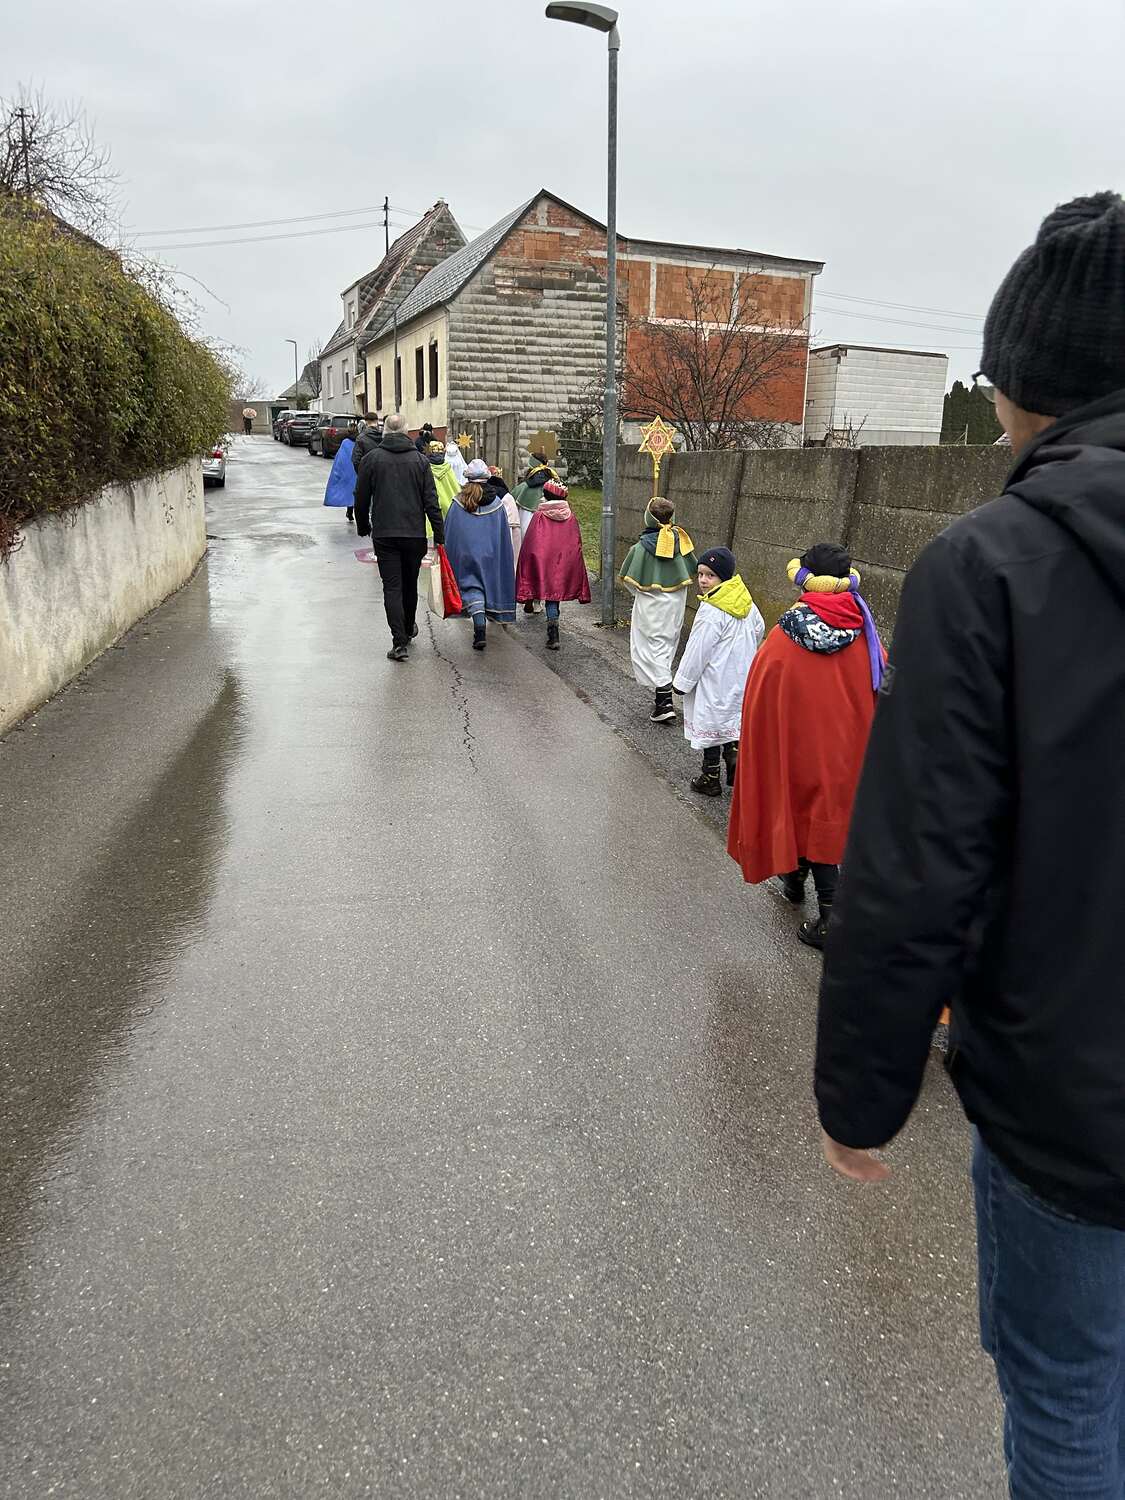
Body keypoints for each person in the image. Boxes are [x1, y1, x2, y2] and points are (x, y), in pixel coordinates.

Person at [814, 191, 1125, 1497]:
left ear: (1025, 386)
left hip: (1076, 1112)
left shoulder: (993, 566)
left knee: (1067, 1397)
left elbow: (913, 870)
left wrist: (861, 1095)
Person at [727, 543, 884, 949]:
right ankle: (795, 878)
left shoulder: (786, 635)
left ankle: (832, 917)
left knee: (801, 810)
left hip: (798, 747)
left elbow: (761, 691)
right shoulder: (864, 632)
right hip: (848, 750)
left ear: (804, 581)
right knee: (826, 815)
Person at [672, 547, 765, 796]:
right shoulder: (746, 602)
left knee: (710, 725)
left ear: (723, 576)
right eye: (701, 574)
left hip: (714, 678)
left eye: (710, 575)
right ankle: (733, 755)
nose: (703, 580)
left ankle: (710, 776)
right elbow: (759, 629)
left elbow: (698, 650)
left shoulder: (712, 610)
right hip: (740, 676)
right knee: (731, 720)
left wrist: (682, 682)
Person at [354, 412, 444, 662]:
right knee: (409, 583)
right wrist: (439, 533)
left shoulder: (372, 460)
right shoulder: (420, 461)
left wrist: (363, 525)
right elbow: (431, 500)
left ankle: (399, 642)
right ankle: (408, 626)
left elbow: (361, 497)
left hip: (385, 534)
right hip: (414, 533)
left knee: (392, 587)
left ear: (384, 431)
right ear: (406, 432)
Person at [618, 497, 697, 723]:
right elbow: (690, 571)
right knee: (666, 646)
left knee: (651, 649)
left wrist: (645, 592)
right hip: (676, 604)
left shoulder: (639, 548)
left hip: (649, 605)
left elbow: (629, 581)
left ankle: (664, 702)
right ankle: (661, 699)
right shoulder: (681, 541)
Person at [442, 458, 516, 650]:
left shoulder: (458, 502)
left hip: (466, 555)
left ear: (468, 479)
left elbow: (450, 532)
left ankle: (479, 628)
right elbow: (503, 536)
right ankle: (481, 626)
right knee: (485, 587)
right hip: (490, 555)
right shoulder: (498, 504)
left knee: (472, 589)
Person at [515, 479, 590, 650]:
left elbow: (531, 541)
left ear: (546, 496)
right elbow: (575, 542)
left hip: (542, 561)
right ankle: (553, 629)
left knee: (546, 591)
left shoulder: (539, 516)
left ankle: (552, 631)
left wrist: (528, 560)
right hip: (563, 561)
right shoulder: (570, 517)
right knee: (553, 596)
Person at [510, 455, 560, 615]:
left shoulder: (523, 487)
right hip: (548, 534)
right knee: (544, 566)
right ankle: (539, 600)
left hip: (526, 533)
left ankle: (529, 596)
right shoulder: (553, 487)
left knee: (528, 564)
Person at [322, 434, 357, 525]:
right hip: (358, 468)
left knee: (349, 490)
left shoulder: (345, 443)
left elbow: (340, 458)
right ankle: (353, 512)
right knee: (357, 491)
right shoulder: (361, 441)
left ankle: (350, 511)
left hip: (348, 470)